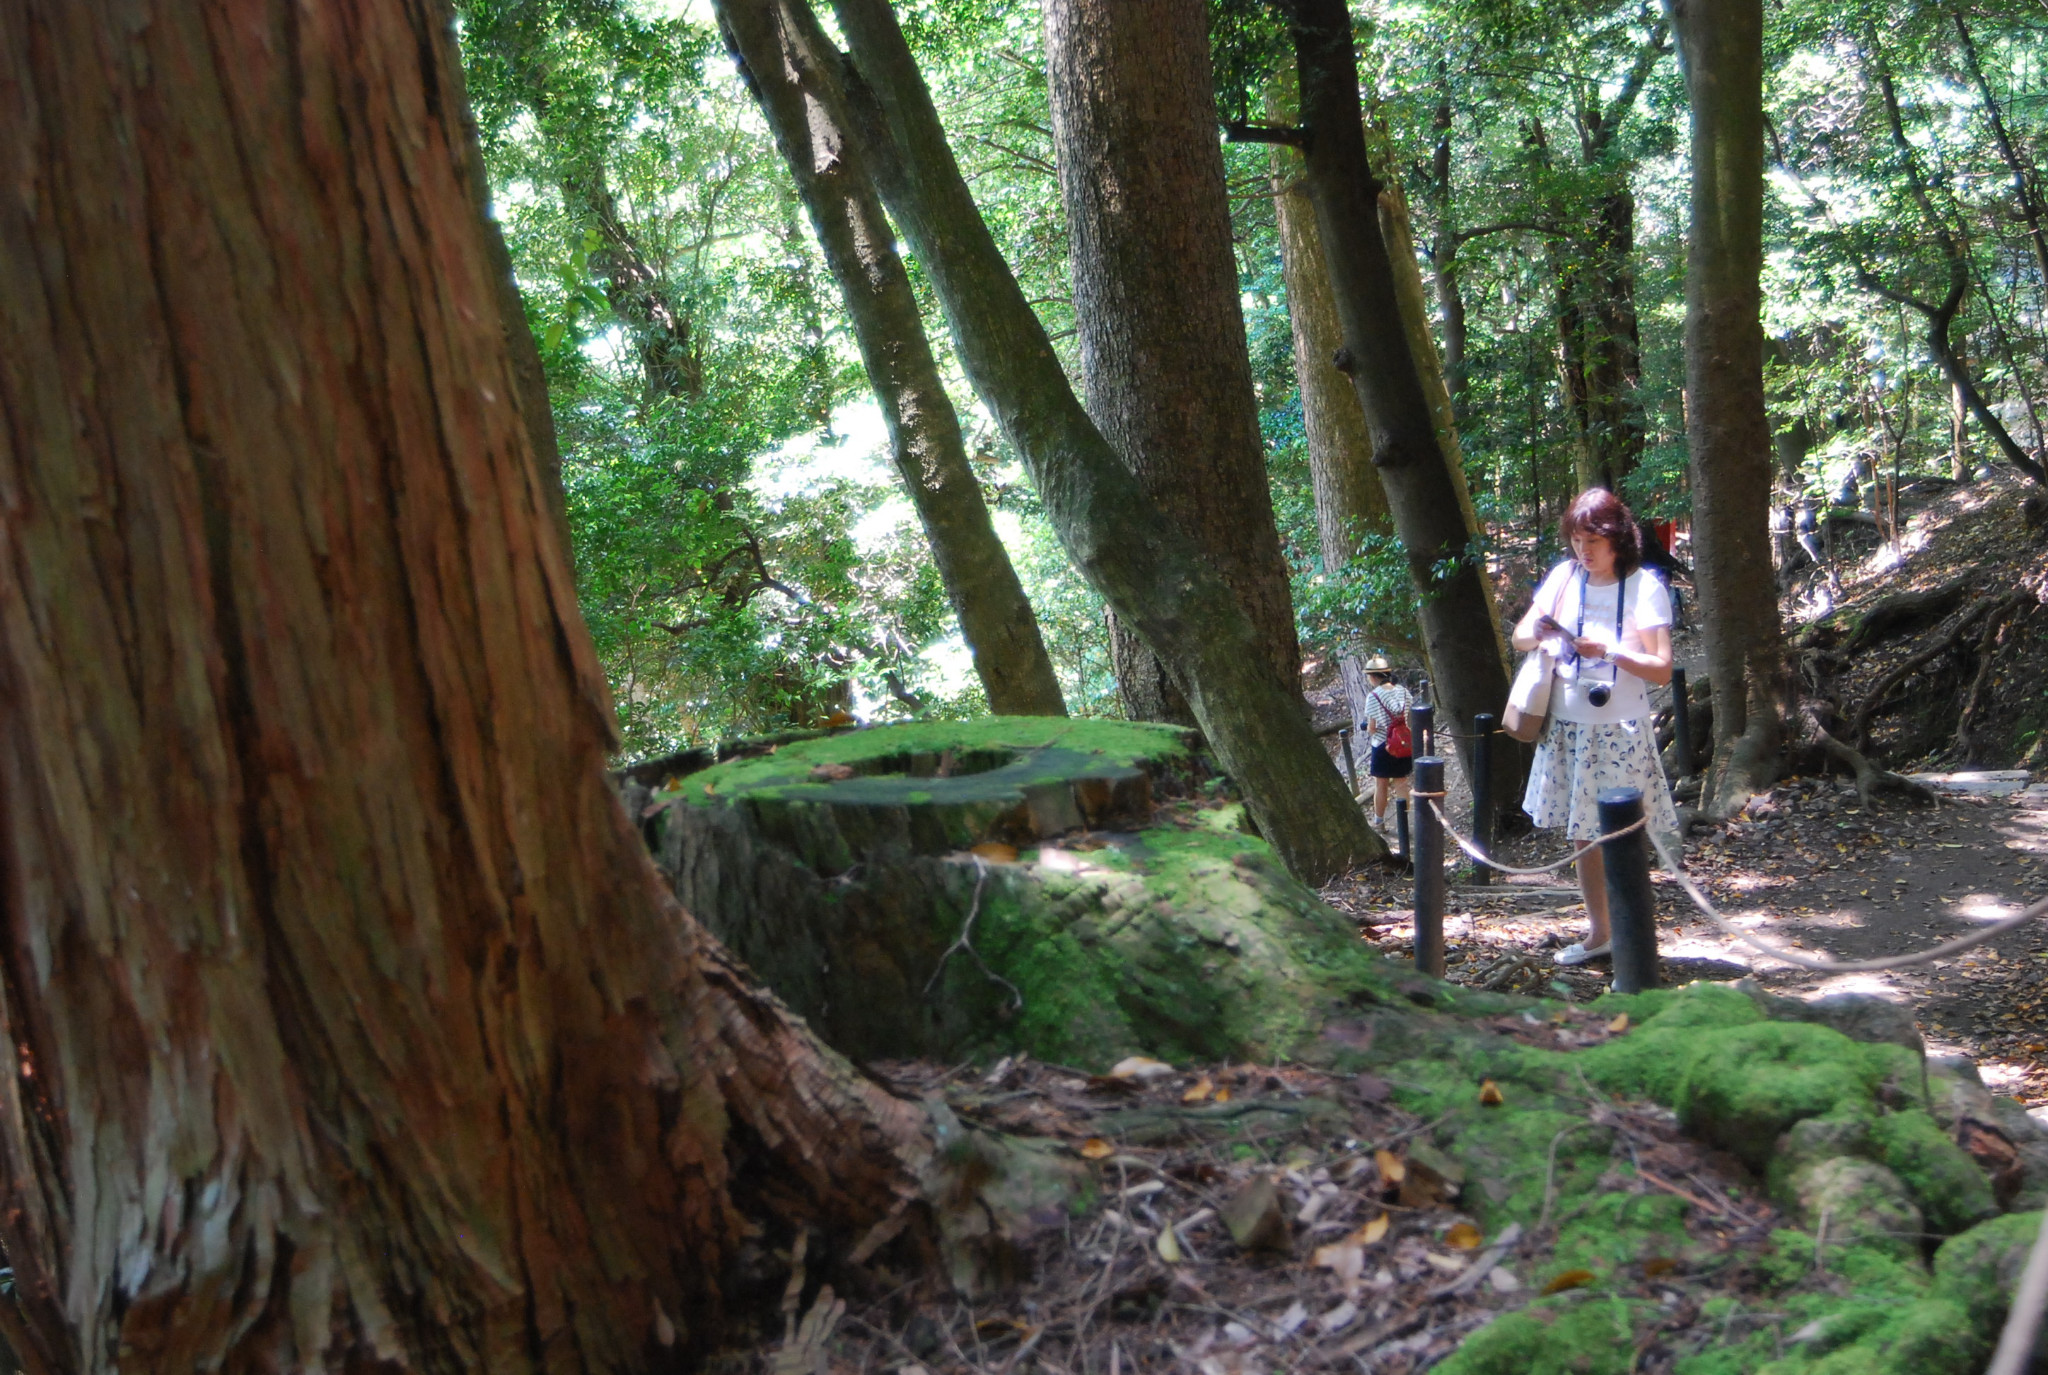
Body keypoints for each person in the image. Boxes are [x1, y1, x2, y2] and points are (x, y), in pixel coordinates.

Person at [1511, 488, 1680, 965]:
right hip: (1569, 725)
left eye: (1593, 541)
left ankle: (1634, 939)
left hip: (1619, 729)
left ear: (1617, 539)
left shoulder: (1644, 585)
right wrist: (1541, 631)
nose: (1583, 551)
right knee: (1584, 836)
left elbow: (1662, 668)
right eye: (1576, 540)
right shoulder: (1564, 578)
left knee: (1621, 835)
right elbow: (1521, 635)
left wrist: (1608, 651)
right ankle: (1601, 933)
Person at [1357, 657, 1413, 829]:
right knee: (1401, 782)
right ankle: (1404, 823)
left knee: (1381, 785)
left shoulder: (1373, 697)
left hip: (1382, 745)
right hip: (1403, 743)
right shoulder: (1404, 692)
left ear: (1374, 677)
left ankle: (1379, 822)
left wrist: (1369, 728)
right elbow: (1408, 719)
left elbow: (1372, 728)